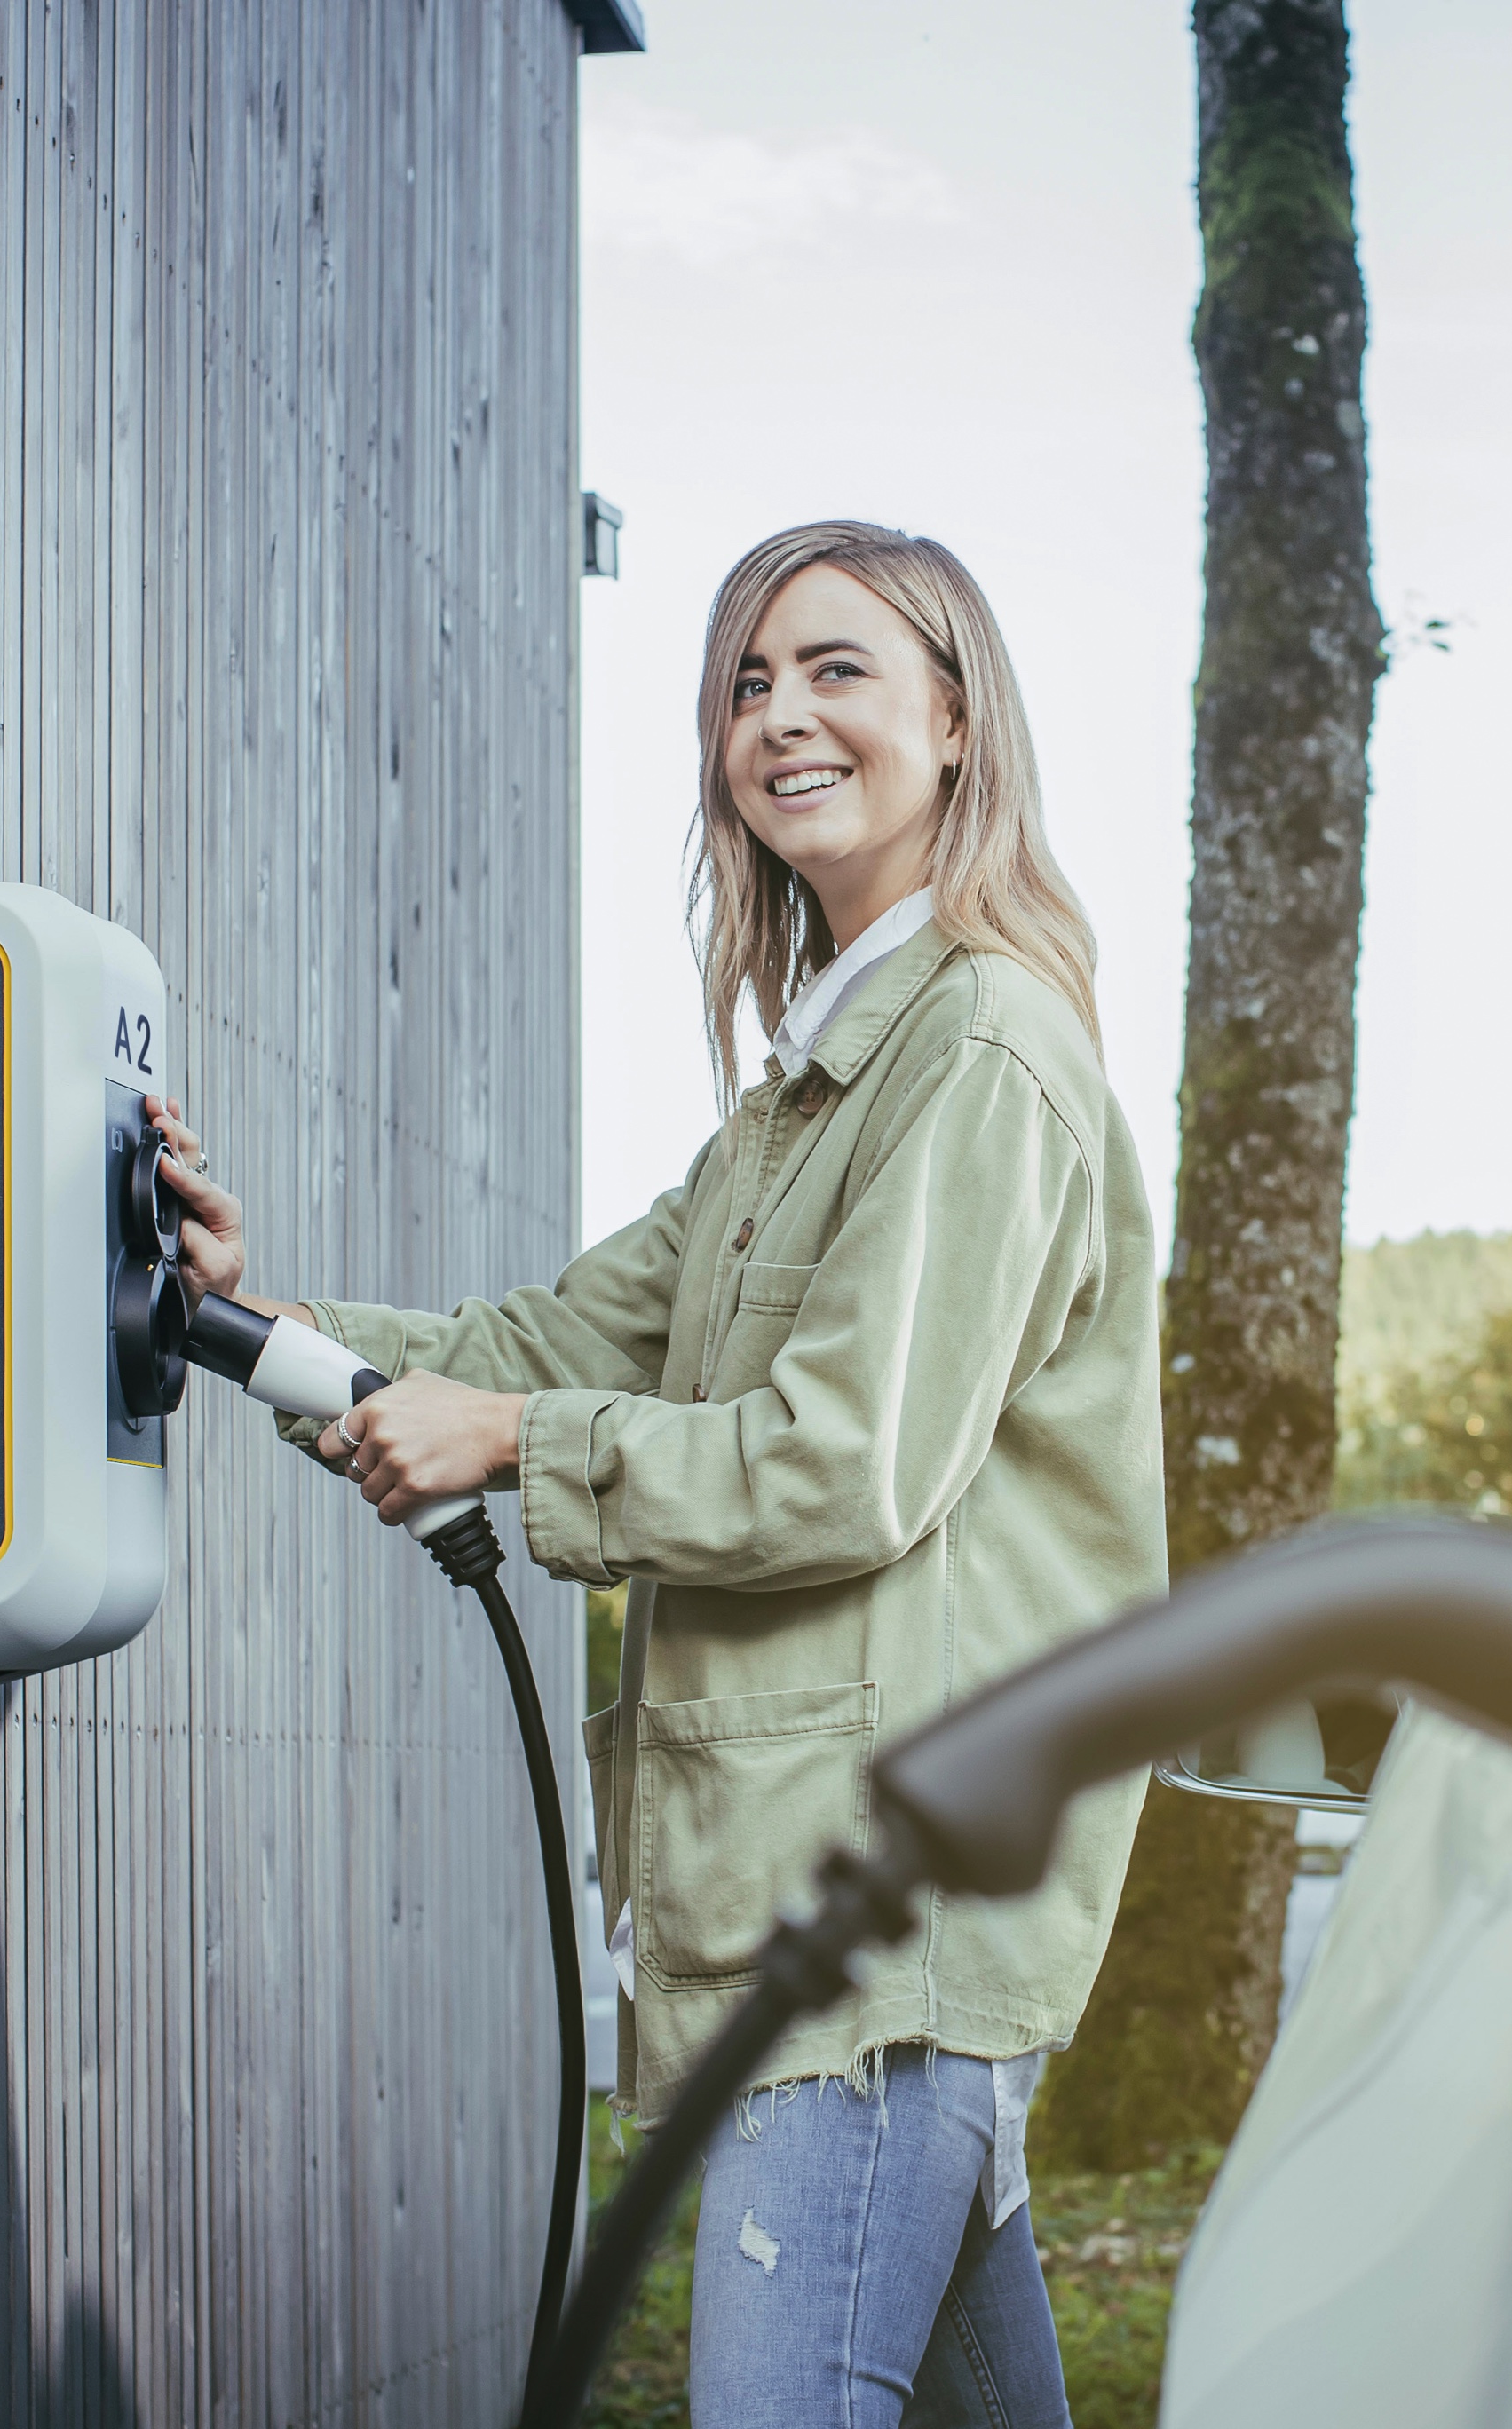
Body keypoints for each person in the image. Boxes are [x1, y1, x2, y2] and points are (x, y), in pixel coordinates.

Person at [147, 519, 1164, 2428]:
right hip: (829, 1905)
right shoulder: (806, 1099)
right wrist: (246, 1314)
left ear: (958, 719)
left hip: (873, 1924)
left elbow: (846, 1469)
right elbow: (549, 1341)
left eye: (838, 669)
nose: (779, 716)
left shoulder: (986, 1056)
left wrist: (522, 1448)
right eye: (748, 683)